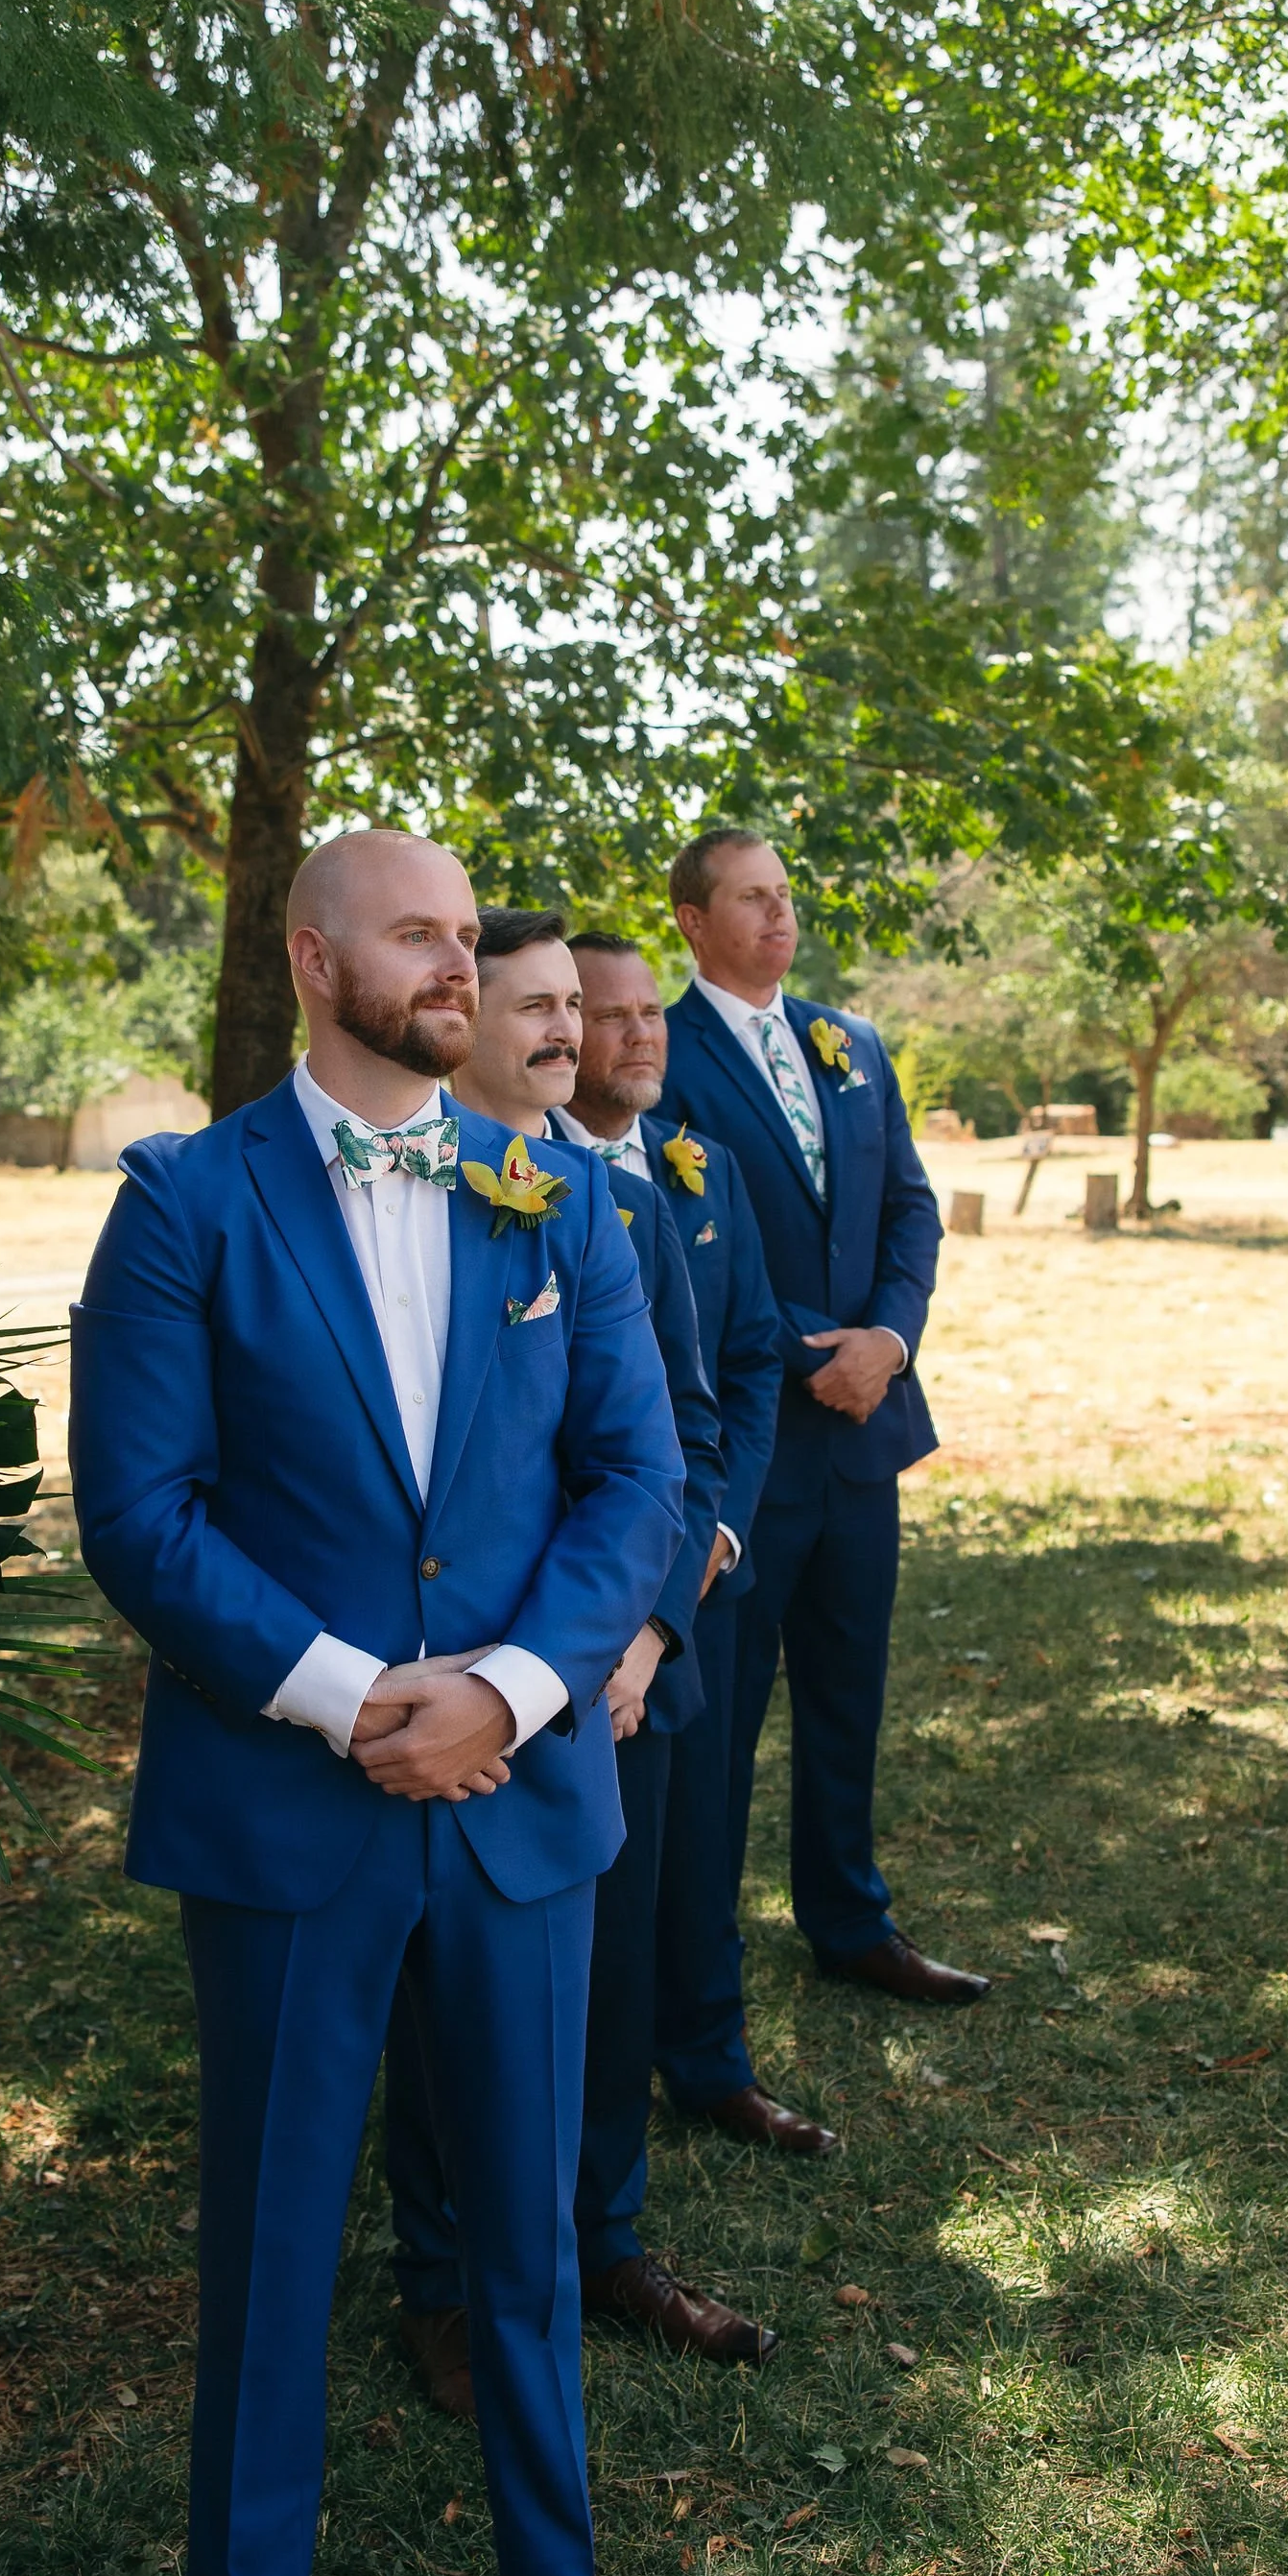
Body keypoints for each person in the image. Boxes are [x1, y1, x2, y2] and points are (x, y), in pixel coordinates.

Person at [69, 830, 685, 2576]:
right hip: (286, 1804)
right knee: (268, 2227)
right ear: (313, 958)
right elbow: (140, 1516)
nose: (466, 961)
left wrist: (502, 1687)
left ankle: (557, 2571)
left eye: (466, 932)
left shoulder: (550, 1197)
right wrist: (353, 1700)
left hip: (518, 1795)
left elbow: (634, 1477)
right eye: (420, 933)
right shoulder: (183, 1202)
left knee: (523, 2213)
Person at [386, 908, 780, 2398]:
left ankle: (605, 2238)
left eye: (577, 1008)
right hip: (460, 1677)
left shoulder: (611, 1198)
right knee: (442, 1991)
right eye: (536, 1007)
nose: (566, 1033)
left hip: (626, 1677)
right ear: (455, 1016)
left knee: (613, 1973)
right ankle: (442, 2275)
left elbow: (681, 1431)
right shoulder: (415, 1196)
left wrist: (649, 1629)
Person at [661, 827, 989, 2006]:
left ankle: (849, 1922)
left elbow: (910, 1209)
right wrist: (819, 1352)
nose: (777, 917)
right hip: (747, 1453)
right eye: (750, 900)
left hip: (863, 1440)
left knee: (847, 1698)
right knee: (719, 1730)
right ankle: (694, 1966)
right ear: (692, 922)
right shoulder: (662, 1049)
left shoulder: (849, 1044)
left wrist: (888, 1345)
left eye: (785, 898)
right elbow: (686, 1245)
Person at [558, 930, 836, 2156]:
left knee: (705, 1832)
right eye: (605, 1016)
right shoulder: (517, 1175)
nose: (636, 1034)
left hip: (698, 1578)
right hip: (572, 1600)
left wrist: (717, 1532)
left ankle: (710, 2058)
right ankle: (572, 2098)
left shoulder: (704, 1168)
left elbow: (747, 1366)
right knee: (600, 1872)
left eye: (643, 1015)